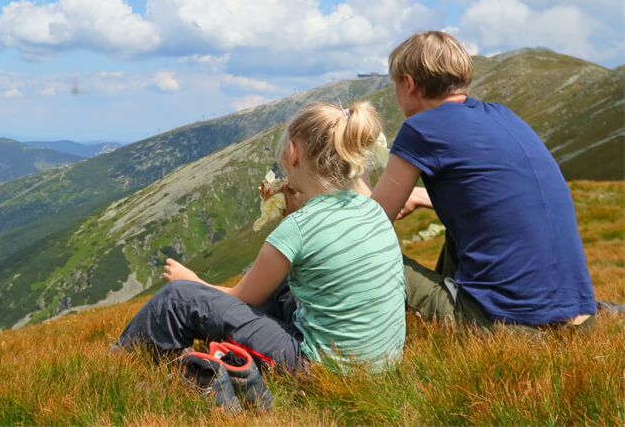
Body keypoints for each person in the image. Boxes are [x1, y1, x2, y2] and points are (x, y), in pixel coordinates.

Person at [117, 101, 406, 388]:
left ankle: (117, 368)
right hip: (382, 364)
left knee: (178, 298)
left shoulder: (299, 227)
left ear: (293, 152)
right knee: (281, 287)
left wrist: (193, 282)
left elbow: (242, 297)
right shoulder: (372, 209)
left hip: (319, 370)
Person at [364, 31, 596, 329]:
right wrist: (422, 196)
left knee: (360, 256)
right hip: (580, 321)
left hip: (506, 325)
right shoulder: (505, 116)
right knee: (458, 230)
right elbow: (493, 194)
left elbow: (368, 225)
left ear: (409, 84)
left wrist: (355, 174)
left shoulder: (421, 128)